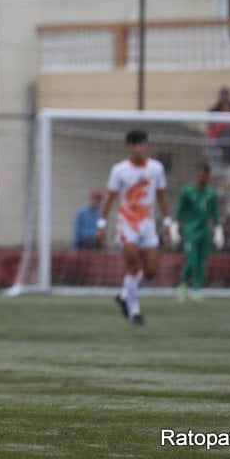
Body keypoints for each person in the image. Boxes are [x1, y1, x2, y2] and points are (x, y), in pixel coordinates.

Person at [97, 129, 170, 326]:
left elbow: (162, 197)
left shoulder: (156, 169)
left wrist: (167, 223)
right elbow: (110, 198)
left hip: (147, 226)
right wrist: (102, 224)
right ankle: (134, 312)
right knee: (132, 266)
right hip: (127, 225)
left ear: (147, 145)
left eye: (141, 144)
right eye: (134, 145)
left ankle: (124, 295)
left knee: (151, 272)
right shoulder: (119, 170)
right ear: (128, 147)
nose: (138, 149)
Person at [174, 161, 222, 301]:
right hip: (190, 231)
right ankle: (182, 285)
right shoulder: (187, 191)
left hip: (204, 232)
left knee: (202, 262)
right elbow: (179, 210)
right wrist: (175, 228)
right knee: (191, 259)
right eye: (199, 174)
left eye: (204, 175)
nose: (201, 177)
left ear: (208, 176)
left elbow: (215, 213)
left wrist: (218, 230)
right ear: (196, 175)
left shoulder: (211, 193)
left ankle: (196, 289)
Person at [206, 86, 230, 163]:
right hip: (217, 134)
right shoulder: (214, 110)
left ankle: (228, 159)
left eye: (225, 96)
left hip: (228, 133)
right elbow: (211, 127)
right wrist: (212, 137)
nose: (223, 98)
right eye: (222, 96)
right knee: (219, 140)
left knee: (227, 135)